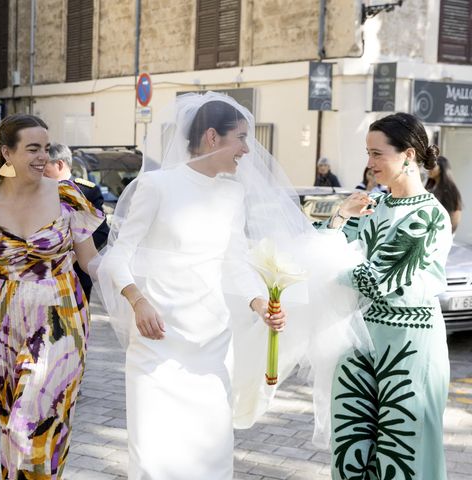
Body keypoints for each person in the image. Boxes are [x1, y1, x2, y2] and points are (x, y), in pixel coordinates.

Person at [96, 92, 369, 479]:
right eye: (240, 138)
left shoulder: (232, 192)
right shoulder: (157, 186)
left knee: (210, 455)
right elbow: (118, 257)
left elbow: (235, 259)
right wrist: (137, 301)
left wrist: (260, 303)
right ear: (212, 137)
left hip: (211, 344)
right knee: (155, 454)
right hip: (158, 342)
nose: (247, 149)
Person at [0, 114, 104, 479]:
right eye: (33, 148)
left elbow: (91, 261)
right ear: (7, 153)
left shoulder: (67, 196)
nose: (42, 157)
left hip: (62, 316)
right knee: (12, 426)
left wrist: (132, 287)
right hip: (8, 322)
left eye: (45, 149)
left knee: (29, 423)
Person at [323, 113, 452, 480]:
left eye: (377, 154)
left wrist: (330, 259)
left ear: (408, 155)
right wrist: (338, 219)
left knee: (403, 455)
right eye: (368, 153)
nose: (369, 164)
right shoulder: (370, 207)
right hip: (360, 346)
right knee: (350, 452)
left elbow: (385, 281)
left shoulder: (431, 216)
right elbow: (320, 244)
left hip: (409, 349)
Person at [44, 142, 110, 299]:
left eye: (44, 164)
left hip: (77, 271)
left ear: (59, 164)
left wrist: (74, 253)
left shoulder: (86, 191)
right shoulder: (39, 191)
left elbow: (100, 231)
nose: (40, 169)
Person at [426, 155, 463, 232]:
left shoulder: (450, 190)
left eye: (433, 166)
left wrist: (448, 234)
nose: (429, 169)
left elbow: (455, 215)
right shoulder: (429, 187)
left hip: (441, 233)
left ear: (442, 168)